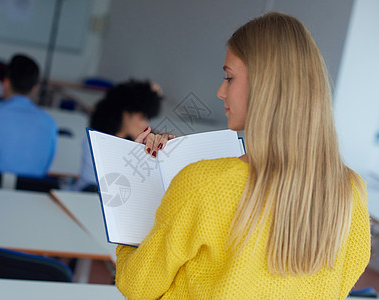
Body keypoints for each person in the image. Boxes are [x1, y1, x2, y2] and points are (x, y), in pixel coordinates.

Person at [115, 12, 370, 299]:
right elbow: (342, 282)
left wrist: (134, 200)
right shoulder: (351, 192)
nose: (220, 91)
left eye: (229, 77)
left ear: (266, 87)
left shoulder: (204, 184)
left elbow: (138, 286)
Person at [0, 54, 57, 178]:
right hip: (30, 193)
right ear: (34, 89)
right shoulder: (50, 123)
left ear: (6, 83)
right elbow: (44, 168)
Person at [74, 79, 163, 192]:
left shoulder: (134, 143)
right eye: (142, 117)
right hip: (88, 197)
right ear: (125, 114)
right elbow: (97, 187)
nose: (146, 124)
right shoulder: (94, 142)